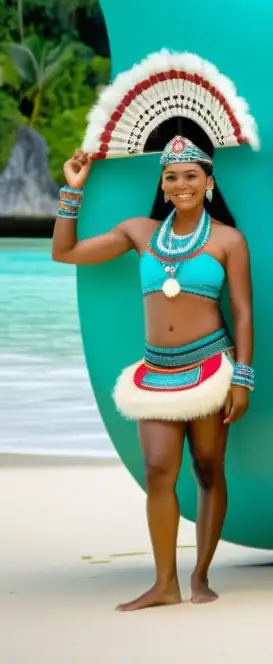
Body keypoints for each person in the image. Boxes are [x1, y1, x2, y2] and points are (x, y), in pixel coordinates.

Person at [51, 49, 259, 611]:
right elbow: (64, 251)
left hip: (212, 367)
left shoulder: (227, 240)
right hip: (156, 371)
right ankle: (165, 582)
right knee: (159, 469)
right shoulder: (140, 232)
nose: (181, 184)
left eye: (191, 175)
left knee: (208, 467)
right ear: (163, 185)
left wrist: (243, 377)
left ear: (208, 181)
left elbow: (242, 311)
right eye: (172, 177)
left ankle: (201, 576)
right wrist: (74, 187)